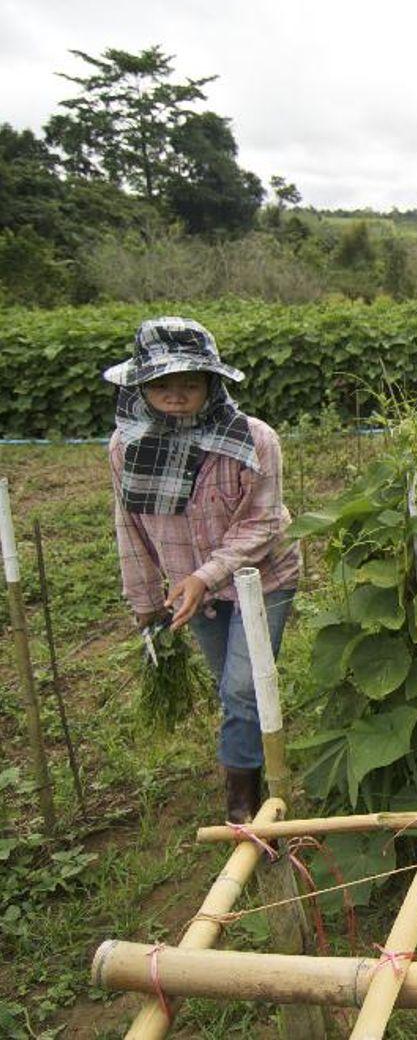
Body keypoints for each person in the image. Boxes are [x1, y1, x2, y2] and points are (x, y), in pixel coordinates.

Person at [104, 317, 300, 823]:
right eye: (162, 384)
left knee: (242, 687)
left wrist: (204, 575)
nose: (175, 394)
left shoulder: (254, 440)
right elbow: (130, 527)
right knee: (231, 687)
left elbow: (263, 525)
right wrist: (146, 601)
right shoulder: (127, 447)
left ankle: (243, 803)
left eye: (189, 382)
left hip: (264, 581)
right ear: (141, 387)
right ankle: (252, 761)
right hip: (193, 591)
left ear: (211, 384)